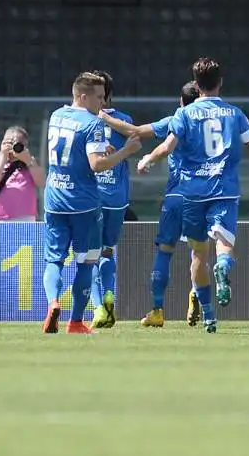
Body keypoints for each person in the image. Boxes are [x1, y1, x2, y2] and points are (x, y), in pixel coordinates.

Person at [143, 57, 249, 333]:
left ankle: (209, 316)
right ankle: (223, 266)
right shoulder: (234, 113)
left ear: (197, 85)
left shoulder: (183, 114)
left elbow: (168, 146)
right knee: (224, 244)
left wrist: (148, 158)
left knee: (197, 254)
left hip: (192, 193)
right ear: (220, 82)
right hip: (224, 190)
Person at [42, 72, 141, 334]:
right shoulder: (92, 123)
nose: (103, 102)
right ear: (83, 96)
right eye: (98, 97)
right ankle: (75, 322)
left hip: (54, 199)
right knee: (88, 261)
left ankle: (52, 303)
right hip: (83, 204)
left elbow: (75, 149)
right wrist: (124, 152)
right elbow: (96, 165)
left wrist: (99, 150)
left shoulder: (56, 116)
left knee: (54, 260)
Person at [101, 81, 202, 327]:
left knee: (165, 251)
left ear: (181, 101)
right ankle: (197, 293)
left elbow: (135, 131)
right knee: (200, 250)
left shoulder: (175, 120)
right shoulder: (216, 121)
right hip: (205, 195)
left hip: (177, 195)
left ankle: (157, 309)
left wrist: (103, 117)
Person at [88, 70, 134, 329]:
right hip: (116, 197)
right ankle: (109, 295)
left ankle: (98, 308)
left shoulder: (82, 121)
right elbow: (137, 135)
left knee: (88, 255)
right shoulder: (125, 120)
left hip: (91, 196)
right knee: (107, 251)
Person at [0, 126, 45, 221]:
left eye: (18, 143)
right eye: (10, 143)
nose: (14, 147)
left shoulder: (30, 161)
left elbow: (42, 183)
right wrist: (3, 158)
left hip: (25, 218)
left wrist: (28, 161)